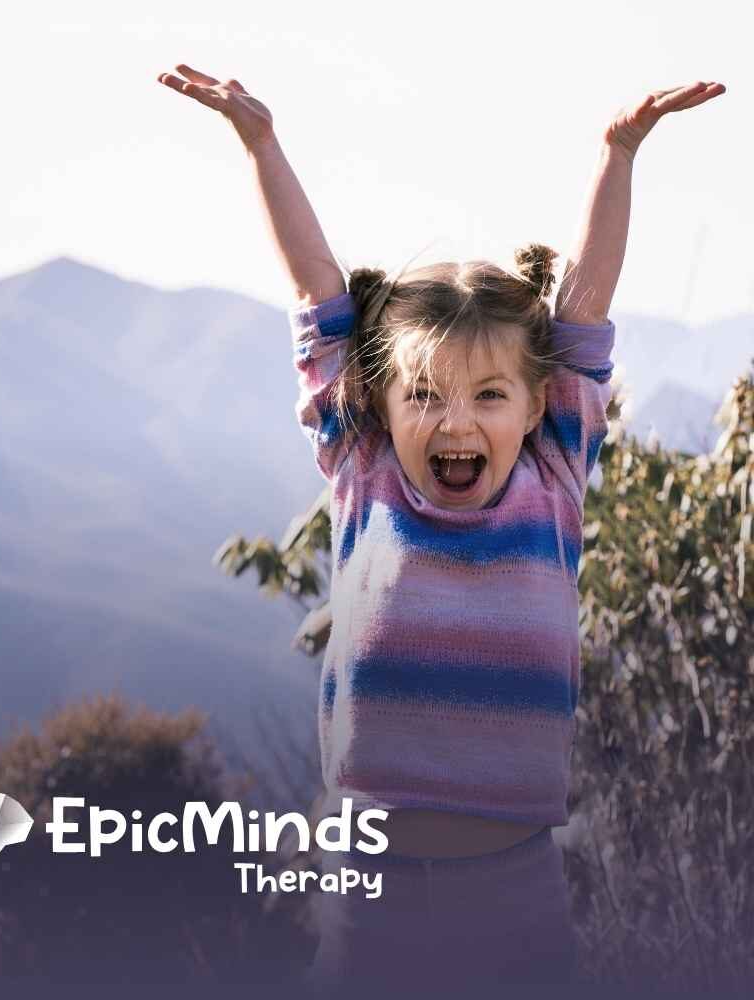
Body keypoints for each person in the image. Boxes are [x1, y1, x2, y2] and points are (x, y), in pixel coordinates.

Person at [156, 65, 725, 992]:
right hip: (365, 880)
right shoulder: (364, 468)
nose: (457, 424)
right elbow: (316, 288)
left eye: (489, 396)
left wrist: (616, 155)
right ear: (377, 398)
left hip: (517, 882)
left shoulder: (553, 477)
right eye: (424, 395)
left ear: (540, 401)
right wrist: (262, 147)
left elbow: (585, 311)